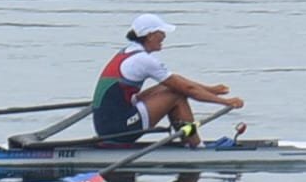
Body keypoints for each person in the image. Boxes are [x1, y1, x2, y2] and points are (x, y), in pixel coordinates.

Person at [92, 14, 243, 147]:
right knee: (176, 94)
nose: (164, 36)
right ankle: (196, 146)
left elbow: (178, 82)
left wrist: (210, 90)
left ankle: (189, 141)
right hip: (117, 130)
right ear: (150, 35)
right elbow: (187, 89)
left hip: (107, 125)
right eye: (161, 32)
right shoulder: (143, 60)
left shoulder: (127, 52)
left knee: (169, 88)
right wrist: (226, 102)